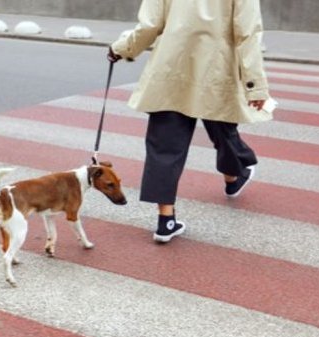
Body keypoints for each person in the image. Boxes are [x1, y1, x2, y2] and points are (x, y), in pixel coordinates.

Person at [108, 0, 272, 243]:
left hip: (172, 66)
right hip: (217, 68)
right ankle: (233, 175)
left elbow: (150, 25)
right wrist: (255, 85)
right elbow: (247, 33)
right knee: (223, 128)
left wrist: (121, 48)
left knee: (164, 144)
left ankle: (166, 221)